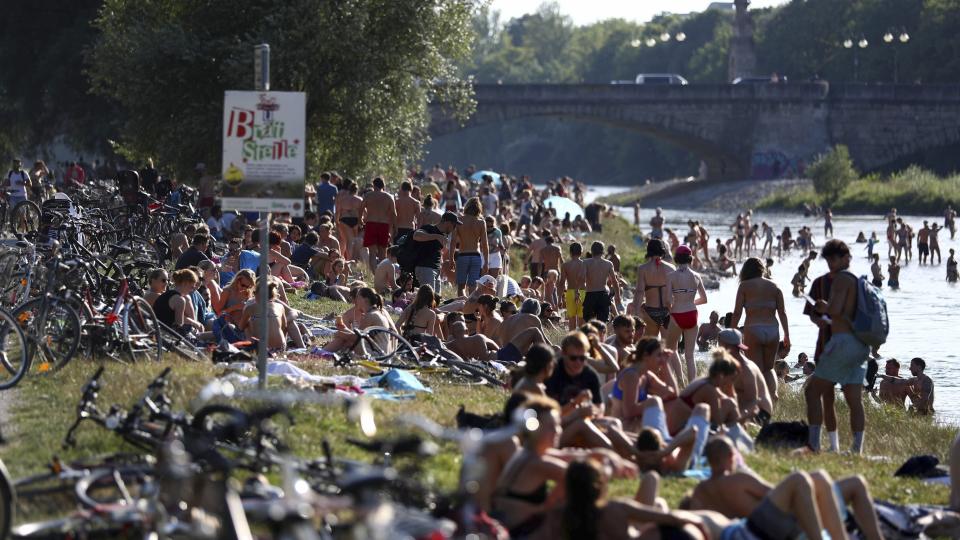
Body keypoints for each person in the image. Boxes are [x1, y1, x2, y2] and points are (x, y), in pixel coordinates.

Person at [689, 437, 884, 540]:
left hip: (756, 529)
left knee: (818, 477)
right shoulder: (739, 480)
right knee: (855, 483)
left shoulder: (699, 492)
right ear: (732, 457)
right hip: (784, 524)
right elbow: (776, 494)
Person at [533, 459, 705, 540]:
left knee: (659, 503)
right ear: (600, 487)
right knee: (659, 508)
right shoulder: (615, 509)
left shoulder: (558, 516)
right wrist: (698, 523)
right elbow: (670, 518)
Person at [807, 239, 869, 454]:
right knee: (854, 398)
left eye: (834, 259)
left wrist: (824, 306)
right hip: (859, 344)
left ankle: (813, 445)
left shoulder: (841, 279)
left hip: (841, 342)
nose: (831, 264)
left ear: (846, 257)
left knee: (812, 392)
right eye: (828, 260)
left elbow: (834, 309)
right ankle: (856, 450)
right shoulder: (859, 281)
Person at [665, 245, 708, 384]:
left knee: (670, 351)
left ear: (676, 258)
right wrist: (690, 302)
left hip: (677, 313)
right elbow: (704, 299)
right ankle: (692, 387)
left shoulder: (671, 276)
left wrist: (673, 309)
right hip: (692, 314)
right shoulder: (696, 276)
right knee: (690, 356)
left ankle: (674, 383)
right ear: (690, 258)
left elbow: (667, 300)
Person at [717, 329, 774, 425]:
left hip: (760, 414)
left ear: (726, 347)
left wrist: (735, 420)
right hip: (740, 409)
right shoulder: (728, 364)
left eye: (719, 345)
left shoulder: (747, 369)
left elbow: (753, 403)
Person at [634, 239, 676, 339]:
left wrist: (636, 312)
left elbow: (640, 291)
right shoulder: (671, 268)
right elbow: (675, 293)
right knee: (669, 347)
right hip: (668, 311)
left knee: (650, 347)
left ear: (649, 250)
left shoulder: (643, 269)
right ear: (663, 250)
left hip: (650, 312)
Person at [412, 211, 461, 293]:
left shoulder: (444, 234)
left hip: (436, 269)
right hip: (425, 267)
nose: (455, 228)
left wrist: (451, 259)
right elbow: (416, 235)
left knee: (437, 299)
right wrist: (436, 236)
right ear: (448, 223)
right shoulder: (430, 228)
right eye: (454, 225)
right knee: (428, 298)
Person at [237, 277, 288, 351]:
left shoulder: (250, 308)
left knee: (247, 326)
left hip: (262, 349)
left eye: (254, 292)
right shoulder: (280, 306)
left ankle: (251, 346)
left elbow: (241, 327)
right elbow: (285, 327)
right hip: (280, 348)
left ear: (257, 294)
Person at [152, 269, 206, 338]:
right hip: (165, 336)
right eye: (191, 287)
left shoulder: (167, 294)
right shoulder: (180, 300)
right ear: (185, 283)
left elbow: (171, 316)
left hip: (156, 330)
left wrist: (193, 323)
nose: (192, 290)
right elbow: (178, 325)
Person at [452, 197, 489, 295]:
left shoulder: (459, 220)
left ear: (467, 207)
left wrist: (451, 258)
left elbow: (453, 241)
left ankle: (463, 307)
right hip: (476, 256)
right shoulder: (481, 222)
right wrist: (486, 262)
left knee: (461, 287)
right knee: (473, 286)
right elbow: (485, 244)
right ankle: (472, 309)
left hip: (463, 255)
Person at [359, 177, 396, 271]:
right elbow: (394, 213)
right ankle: (381, 274)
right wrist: (394, 227)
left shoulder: (368, 195)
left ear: (374, 185)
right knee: (382, 253)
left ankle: (375, 274)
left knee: (372, 253)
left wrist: (360, 219)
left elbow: (361, 208)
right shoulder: (389, 197)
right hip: (384, 225)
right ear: (383, 185)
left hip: (371, 223)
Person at [582, 241, 619, 324]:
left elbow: (581, 279)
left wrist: (578, 291)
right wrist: (618, 296)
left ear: (592, 251)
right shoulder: (608, 264)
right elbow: (614, 281)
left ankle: (591, 336)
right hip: (603, 295)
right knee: (602, 324)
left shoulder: (585, 263)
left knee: (589, 323)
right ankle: (602, 336)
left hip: (590, 294)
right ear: (602, 251)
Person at [559, 242, 586, 331]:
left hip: (570, 292)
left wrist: (559, 298)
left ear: (570, 252)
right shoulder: (585, 264)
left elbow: (562, 282)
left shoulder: (565, 265)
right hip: (583, 292)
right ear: (581, 252)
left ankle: (572, 341)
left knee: (571, 320)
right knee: (582, 321)